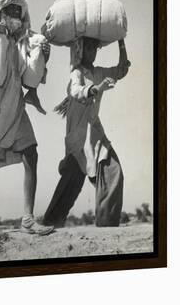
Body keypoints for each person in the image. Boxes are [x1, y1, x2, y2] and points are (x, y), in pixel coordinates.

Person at [0, 0, 54, 239]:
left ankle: (28, 218)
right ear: (3, 12)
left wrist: (42, 55)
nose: (15, 14)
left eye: (19, 10)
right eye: (11, 10)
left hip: (16, 104)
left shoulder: (20, 42)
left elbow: (28, 76)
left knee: (31, 152)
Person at [43, 38, 130, 227]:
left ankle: (107, 224)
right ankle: (50, 223)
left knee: (113, 172)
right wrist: (97, 89)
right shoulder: (76, 72)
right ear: (80, 51)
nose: (93, 52)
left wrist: (121, 42)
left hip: (94, 134)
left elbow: (121, 69)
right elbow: (75, 91)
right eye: (88, 48)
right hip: (78, 137)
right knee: (71, 182)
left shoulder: (98, 72)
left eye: (94, 48)